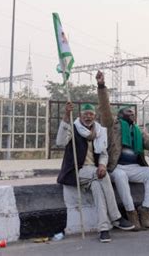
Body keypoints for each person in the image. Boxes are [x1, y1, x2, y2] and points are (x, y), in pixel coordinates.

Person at [56, 102, 134, 243]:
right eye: (85, 114)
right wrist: (66, 116)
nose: (88, 117)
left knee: (98, 186)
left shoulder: (99, 131)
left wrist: (103, 165)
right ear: (80, 116)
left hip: (93, 173)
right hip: (76, 171)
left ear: (95, 116)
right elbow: (60, 142)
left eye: (91, 114)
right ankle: (116, 217)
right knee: (101, 177)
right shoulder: (73, 128)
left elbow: (103, 153)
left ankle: (104, 229)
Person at [96, 71, 149, 231]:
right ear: (121, 115)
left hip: (135, 167)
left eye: (133, 112)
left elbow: (148, 144)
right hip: (117, 167)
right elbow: (104, 108)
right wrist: (101, 86)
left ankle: (145, 210)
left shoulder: (138, 130)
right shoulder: (113, 126)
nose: (133, 114)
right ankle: (131, 213)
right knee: (121, 175)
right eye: (129, 112)